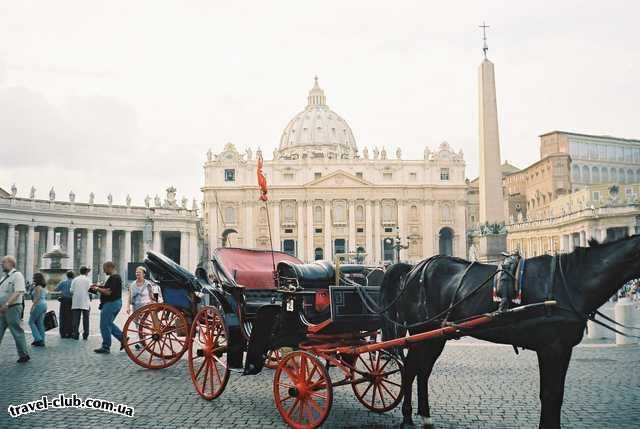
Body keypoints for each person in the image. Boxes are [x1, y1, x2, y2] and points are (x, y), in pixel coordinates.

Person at [0, 256, 30, 363]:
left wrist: (7, 304)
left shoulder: (17, 275)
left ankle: (23, 355)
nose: (1, 264)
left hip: (12, 308)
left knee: (16, 331)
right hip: (2, 309)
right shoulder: (4, 277)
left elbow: (18, 292)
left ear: (11, 263)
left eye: (4, 262)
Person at [92, 261, 123, 354]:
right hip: (115, 303)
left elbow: (108, 292)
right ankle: (123, 338)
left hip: (111, 303)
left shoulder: (114, 277)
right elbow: (107, 288)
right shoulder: (114, 277)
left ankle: (106, 346)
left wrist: (97, 289)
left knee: (104, 325)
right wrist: (98, 286)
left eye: (104, 268)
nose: (103, 270)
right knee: (109, 323)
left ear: (110, 267)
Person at [70, 266, 92, 340]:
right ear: (86, 272)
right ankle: (85, 334)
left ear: (80, 271)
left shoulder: (75, 279)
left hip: (76, 301)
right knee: (86, 319)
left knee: (75, 319)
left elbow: (71, 291)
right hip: (85, 301)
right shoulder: (88, 280)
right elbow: (90, 290)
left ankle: (75, 334)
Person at [28, 273, 48, 347]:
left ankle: (38, 338)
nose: (33, 279)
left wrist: (32, 307)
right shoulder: (42, 287)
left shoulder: (37, 288)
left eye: (34, 278)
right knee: (40, 323)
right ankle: (42, 341)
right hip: (44, 305)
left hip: (38, 305)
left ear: (36, 279)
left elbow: (36, 298)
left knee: (31, 322)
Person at [55, 271, 75, 338]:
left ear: (67, 275)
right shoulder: (74, 282)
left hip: (64, 300)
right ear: (73, 276)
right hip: (72, 301)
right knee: (71, 317)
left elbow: (56, 289)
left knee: (63, 316)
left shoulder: (63, 282)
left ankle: (63, 333)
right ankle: (70, 332)